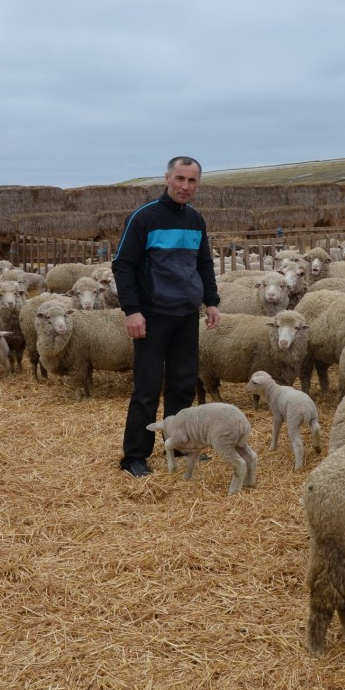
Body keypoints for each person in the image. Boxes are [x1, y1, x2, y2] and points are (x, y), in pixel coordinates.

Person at [112, 156, 220, 477]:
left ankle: (179, 443)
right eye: (180, 179)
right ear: (167, 178)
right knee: (147, 386)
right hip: (153, 314)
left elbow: (203, 264)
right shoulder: (144, 218)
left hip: (187, 314)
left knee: (183, 385)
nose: (185, 186)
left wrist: (211, 301)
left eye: (192, 181)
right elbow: (123, 264)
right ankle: (134, 456)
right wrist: (132, 310)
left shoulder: (196, 220)